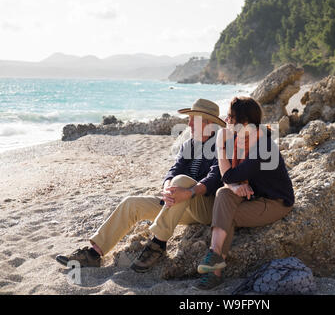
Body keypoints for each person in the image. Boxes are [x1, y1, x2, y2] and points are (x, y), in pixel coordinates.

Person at [55, 98, 226, 273]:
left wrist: (188, 192)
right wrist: (167, 187)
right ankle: (94, 254)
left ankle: (158, 244)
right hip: (179, 204)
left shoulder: (222, 145)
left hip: (205, 207)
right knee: (131, 203)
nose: (189, 124)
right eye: (189, 119)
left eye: (194, 119)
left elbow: (214, 177)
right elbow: (174, 170)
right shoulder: (189, 145)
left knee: (181, 181)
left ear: (209, 123)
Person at [193, 96, 295, 290]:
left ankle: (214, 267)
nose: (226, 120)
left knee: (225, 214)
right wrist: (232, 187)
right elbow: (230, 180)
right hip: (252, 196)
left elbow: (229, 174)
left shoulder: (262, 145)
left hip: (274, 203)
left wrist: (221, 144)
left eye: (230, 117)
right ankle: (215, 256)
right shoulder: (240, 140)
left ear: (245, 123)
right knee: (223, 194)